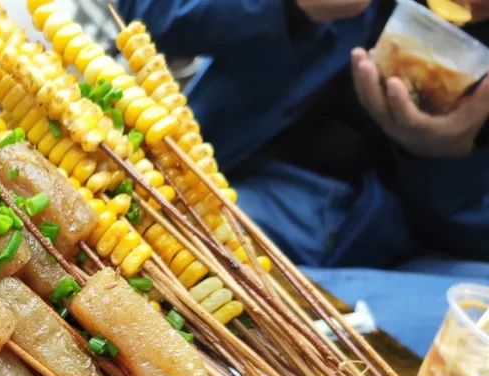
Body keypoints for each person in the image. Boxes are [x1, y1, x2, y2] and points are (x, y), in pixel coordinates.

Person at [118, 0, 489, 354]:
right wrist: (286, 7)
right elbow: (149, 13)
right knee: (155, 263)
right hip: (252, 180)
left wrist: (448, 158)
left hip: (427, 259)